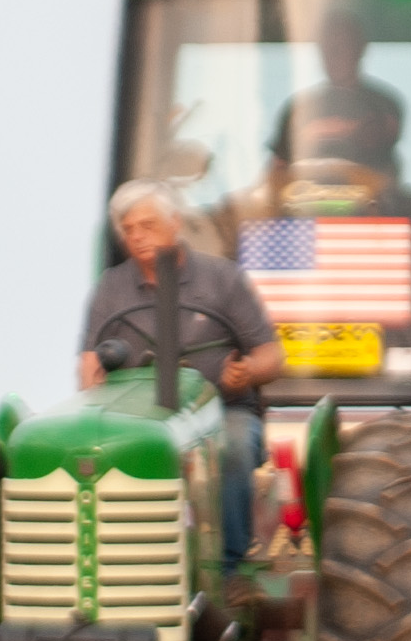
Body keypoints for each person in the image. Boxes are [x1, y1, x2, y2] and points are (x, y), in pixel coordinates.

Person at [80, 180, 286, 572]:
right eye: (129, 229)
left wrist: (247, 372)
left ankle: (228, 568)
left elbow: (272, 357)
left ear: (175, 223)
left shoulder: (223, 279)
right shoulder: (111, 287)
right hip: (138, 416)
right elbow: (90, 361)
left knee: (237, 446)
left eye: (148, 225)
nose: (138, 236)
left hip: (220, 411)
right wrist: (91, 390)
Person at [268, 9, 405, 177]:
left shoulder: (384, 106)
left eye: (342, 46)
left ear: (360, 49)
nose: (334, 55)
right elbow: (278, 166)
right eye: (328, 48)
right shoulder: (298, 110)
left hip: (375, 201)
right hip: (304, 201)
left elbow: (377, 142)